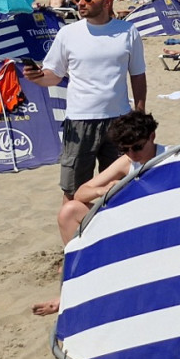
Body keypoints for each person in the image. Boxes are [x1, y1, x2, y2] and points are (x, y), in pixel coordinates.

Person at [23, 0, 147, 201]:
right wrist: (37, 77)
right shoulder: (68, 33)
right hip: (79, 121)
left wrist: (139, 114)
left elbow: (137, 74)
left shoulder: (128, 31)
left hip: (119, 120)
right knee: (73, 191)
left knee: (120, 188)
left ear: (107, 2)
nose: (80, 3)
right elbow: (54, 75)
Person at [32, 110, 160, 316]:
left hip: (158, 228)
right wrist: (104, 190)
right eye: (125, 149)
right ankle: (72, 291)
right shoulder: (127, 162)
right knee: (69, 211)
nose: (133, 154)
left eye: (137, 147)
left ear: (152, 136)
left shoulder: (170, 157)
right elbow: (81, 193)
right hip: (128, 224)